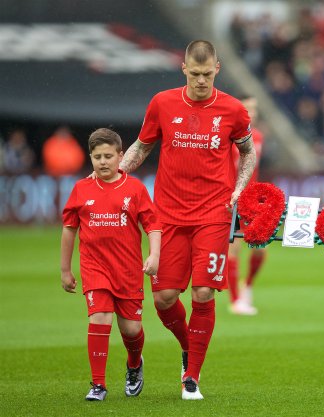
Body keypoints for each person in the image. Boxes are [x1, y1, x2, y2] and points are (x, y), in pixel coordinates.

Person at [117, 40, 256, 400]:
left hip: (213, 214)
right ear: (183, 70)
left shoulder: (233, 109)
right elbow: (142, 146)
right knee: (163, 298)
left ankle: (191, 377)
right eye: (194, 74)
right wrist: (116, 174)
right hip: (168, 215)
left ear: (217, 69)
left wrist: (238, 189)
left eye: (207, 74)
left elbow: (247, 152)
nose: (200, 81)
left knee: (204, 291)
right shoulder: (162, 102)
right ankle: (188, 345)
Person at [61, 128, 161, 401]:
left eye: (108, 156)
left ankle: (134, 363)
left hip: (128, 271)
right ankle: (98, 384)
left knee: (130, 329)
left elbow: (153, 225)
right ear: (90, 158)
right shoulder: (81, 189)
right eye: (97, 157)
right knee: (100, 319)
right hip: (95, 268)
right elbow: (69, 229)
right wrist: (65, 270)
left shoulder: (135, 189)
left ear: (120, 155)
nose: (103, 162)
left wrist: (154, 255)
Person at [227, 95, 266, 315]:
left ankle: (247, 285)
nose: (252, 112)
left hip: (253, 199)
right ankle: (235, 301)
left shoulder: (258, 136)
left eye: (254, 108)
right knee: (234, 247)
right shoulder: (228, 137)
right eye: (247, 108)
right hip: (232, 197)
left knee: (261, 248)